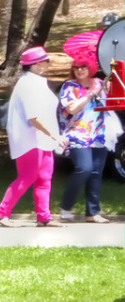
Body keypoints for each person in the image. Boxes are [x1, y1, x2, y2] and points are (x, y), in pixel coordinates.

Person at [0, 47, 68, 227]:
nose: (47, 63)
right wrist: (55, 136)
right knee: (28, 176)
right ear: (34, 65)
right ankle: (2, 213)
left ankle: (44, 217)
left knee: (44, 177)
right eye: (44, 61)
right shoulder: (27, 84)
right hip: (29, 138)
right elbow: (33, 118)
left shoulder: (38, 82)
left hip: (43, 139)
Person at [57, 57, 110, 223]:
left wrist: (111, 80)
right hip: (76, 134)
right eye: (76, 67)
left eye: (83, 66)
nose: (79, 69)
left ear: (91, 67)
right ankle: (66, 207)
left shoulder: (100, 82)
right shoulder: (69, 86)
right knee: (84, 168)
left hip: (99, 134)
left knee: (96, 173)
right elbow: (72, 109)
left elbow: (113, 99)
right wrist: (90, 94)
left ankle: (92, 213)